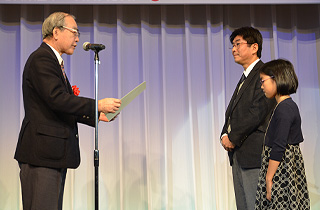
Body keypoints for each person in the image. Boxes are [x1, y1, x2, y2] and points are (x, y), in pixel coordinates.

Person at [14, 12, 121, 210]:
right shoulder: (42, 59)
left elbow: (59, 106)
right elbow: (57, 99)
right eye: (74, 32)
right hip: (42, 155)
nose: (77, 39)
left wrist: (96, 116)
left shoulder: (52, 61)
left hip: (50, 154)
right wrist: (97, 104)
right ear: (56, 32)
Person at [220, 26, 276, 210]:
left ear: (254, 47)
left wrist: (233, 137)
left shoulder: (264, 73)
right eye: (232, 46)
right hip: (239, 156)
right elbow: (233, 113)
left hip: (254, 156)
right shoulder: (246, 76)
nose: (234, 49)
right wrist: (223, 135)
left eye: (238, 44)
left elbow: (257, 112)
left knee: (255, 205)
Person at [255, 59, 310, 209]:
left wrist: (269, 178)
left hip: (281, 172)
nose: (261, 86)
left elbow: (279, 146)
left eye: (263, 81)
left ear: (276, 79)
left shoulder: (284, 108)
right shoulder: (284, 106)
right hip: (282, 168)